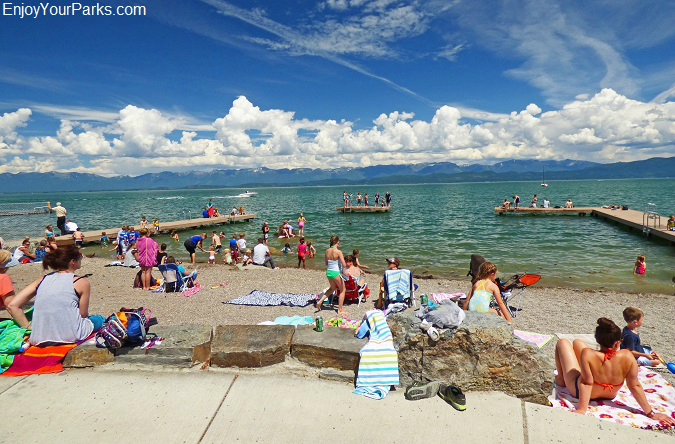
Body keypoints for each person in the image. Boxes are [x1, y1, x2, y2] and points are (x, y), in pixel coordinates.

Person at [554, 318, 674, 425]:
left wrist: (581, 409)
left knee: (563, 342)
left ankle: (561, 379)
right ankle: (587, 369)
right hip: (610, 394)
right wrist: (651, 413)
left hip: (579, 391)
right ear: (617, 343)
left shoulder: (588, 353)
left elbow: (586, 383)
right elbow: (634, 385)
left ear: (598, 340)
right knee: (577, 343)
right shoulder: (627, 356)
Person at [6, 245, 106, 344]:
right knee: (99, 319)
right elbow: (82, 315)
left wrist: (28, 327)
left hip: (39, 338)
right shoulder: (81, 282)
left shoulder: (42, 279)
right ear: (72, 261)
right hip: (71, 336)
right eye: (80, 258)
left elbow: (12, 305)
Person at [315, 236, 347, 316]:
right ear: (338, 242)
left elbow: (326, 263)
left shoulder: (327, 251)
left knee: (332, 288)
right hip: (335, 272)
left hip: (329, 272)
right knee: (343, 290)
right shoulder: (338, 251)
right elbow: (344, 264)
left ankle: (320, 301)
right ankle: (340, 310)